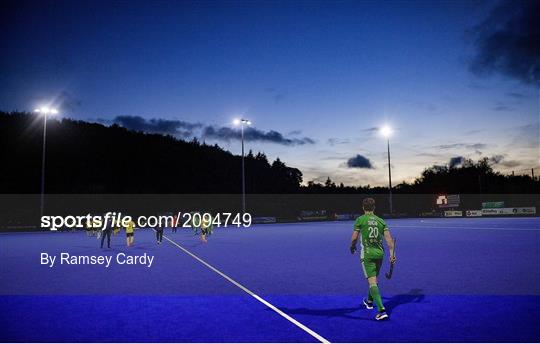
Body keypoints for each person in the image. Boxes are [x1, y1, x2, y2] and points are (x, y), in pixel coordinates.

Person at [350, 198, 396, 321]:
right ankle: (369, 301)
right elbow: (389, 240)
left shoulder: (360, 219)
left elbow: (354, 237)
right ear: (374, 207)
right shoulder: (381, 221)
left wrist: (352, 247)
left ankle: (381, 310)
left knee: (372, 282)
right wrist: (392, 255)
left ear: (363, 207)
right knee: (374, 278)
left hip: (368, 255)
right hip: (380, 254)